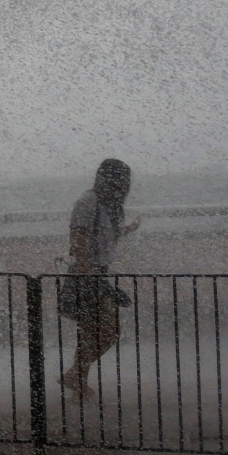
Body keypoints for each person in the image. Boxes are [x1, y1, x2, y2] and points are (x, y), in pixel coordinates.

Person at [58, 158, 141, 398]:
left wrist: (129, 228)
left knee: (91, 330)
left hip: (95, 274)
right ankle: (75, 375)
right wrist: (92, 278)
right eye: (121, 180)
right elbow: (78, 238)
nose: (124, 186)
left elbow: (103, 237)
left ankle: (78, 386)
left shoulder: (108, 205)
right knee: (107, 331)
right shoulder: (88, 201)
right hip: (85, 275)